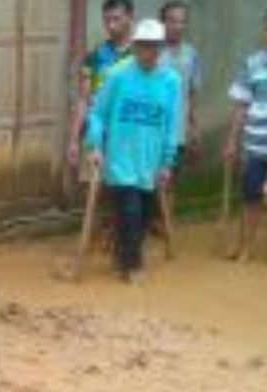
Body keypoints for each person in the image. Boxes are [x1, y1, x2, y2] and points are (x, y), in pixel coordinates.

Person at [85, 19, 181, 284]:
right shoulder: (117, 74)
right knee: (130, 211)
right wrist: (95, 145)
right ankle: (133, 266)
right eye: (143, 46)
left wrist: (167, 162)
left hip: (150, 161)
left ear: (161, 49)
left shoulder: (171, 80)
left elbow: (172, 123)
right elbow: (98, 114)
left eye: (154, 47)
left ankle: (122, 255)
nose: (148, 52)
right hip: (120, 158)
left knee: (145, 215)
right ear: (136, 46)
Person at [67, 0, 136, 169]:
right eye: (107, 20)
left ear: (131, 18)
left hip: (134, 134)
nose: (111, 26)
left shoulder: (143, 56)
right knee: (99, 185)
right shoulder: (96, 56)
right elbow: (84, 99)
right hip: (101, 133)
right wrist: (74, 139)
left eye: (116, 19)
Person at [223, 10, 267, 262]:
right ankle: (245, 247)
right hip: (255, 146)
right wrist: (231, 142)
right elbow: (241, 106)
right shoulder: (252, 63)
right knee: (250, 197)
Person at [158, 0, 201, 229]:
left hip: (178, 129)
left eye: (182, 21)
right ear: (162, 22)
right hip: (153, 125)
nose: (178, 26)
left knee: (171, 177)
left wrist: (193, 129)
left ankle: (166, 223)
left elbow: (192, 95)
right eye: (172, 20)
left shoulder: (191, 54)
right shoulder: (153, 52)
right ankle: (148, 221)